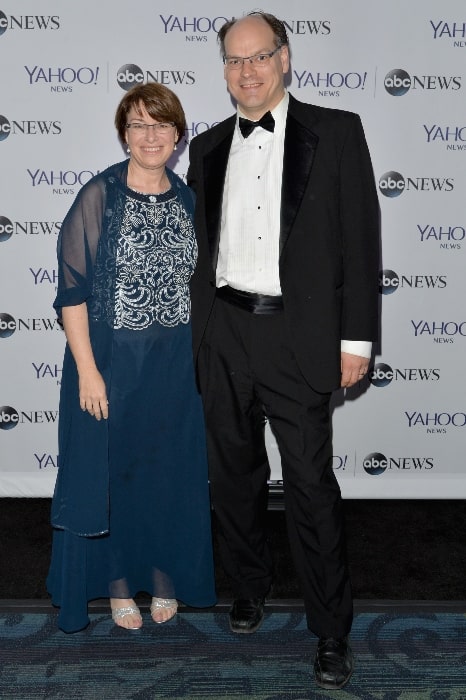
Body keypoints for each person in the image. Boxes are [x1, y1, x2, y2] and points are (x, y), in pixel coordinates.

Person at [187, 11, 379, 690]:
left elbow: (360, 241)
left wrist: (356, 339)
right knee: (232, 477)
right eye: (235, 61)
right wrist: (197, 334)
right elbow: (201, 252)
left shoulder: (337, 131)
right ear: (224, 70)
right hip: (223, 331)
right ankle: (248, 585)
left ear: (285, 57)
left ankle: (331, 631)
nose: (247, 71)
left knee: (310, 485)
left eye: (260, 56)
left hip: (298, 337)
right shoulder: (206, 147)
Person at [47, 82, 216, 633]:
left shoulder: (190, 199)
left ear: (178, 136)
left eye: (161, 125)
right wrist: (89, 373)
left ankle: (164, 577)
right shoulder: (100, 195)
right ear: (124, 134)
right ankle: (118, 584)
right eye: (139, 124)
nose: (151, 135)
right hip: (113, 364)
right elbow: (71, 293)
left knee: (166, 476)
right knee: (114, 477)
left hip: (175, 368)